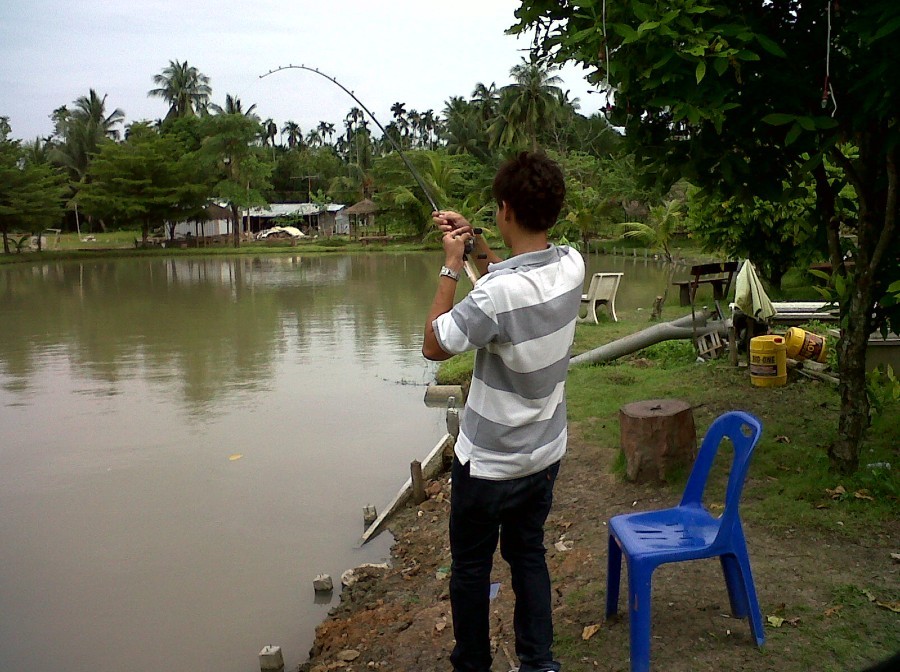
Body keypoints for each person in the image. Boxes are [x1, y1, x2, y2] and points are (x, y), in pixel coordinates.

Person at [422, 151, 585, 672]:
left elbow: (435, 344)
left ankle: (473, 664)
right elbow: (505, 278)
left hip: (488, 464)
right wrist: (474, 247)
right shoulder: (572, 265)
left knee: (471, 568)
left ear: (506, 209)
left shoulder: (495, 298)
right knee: (528, 555)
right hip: (543, 455)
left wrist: (451, 264)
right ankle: (540, 663)